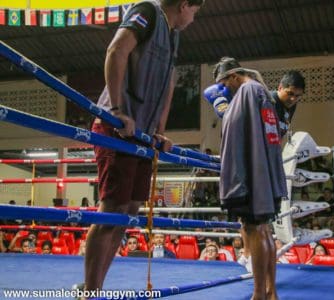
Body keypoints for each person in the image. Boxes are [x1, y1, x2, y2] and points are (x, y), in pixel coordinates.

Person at [83, 0, 204, 294]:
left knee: (130, 211)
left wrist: (160, 131)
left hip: (143, 134)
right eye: (195, 12)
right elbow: (116, 50)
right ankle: (91, 290)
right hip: (116, 127)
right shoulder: (147, 11)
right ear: (186, 4)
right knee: (112, 210)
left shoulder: (173, 35)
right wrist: (116, 109)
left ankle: (95, 284)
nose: (193, 19)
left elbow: (169, 83)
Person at [208, 57, 287, 300]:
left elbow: (240, 134)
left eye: (224, 84)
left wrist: (223, 108)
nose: (224, 89)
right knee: (263, 232)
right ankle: (269, 292)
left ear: (233, 77)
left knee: (255, 230)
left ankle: (258, 294)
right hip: (262, 172)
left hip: (252, 174)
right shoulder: (260, 91)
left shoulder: (248, 91)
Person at [271, 70, 305, 138]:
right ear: (280, 88)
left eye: (297, 96)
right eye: (290, 93)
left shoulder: (291, 104)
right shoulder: (268, 101)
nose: (293, 99)